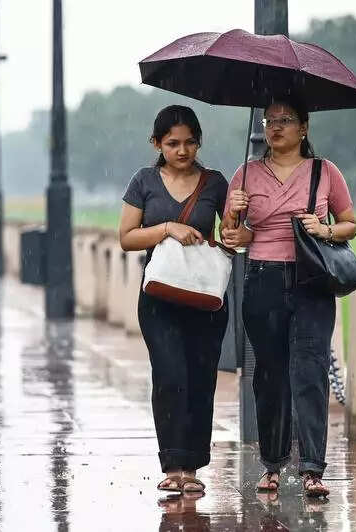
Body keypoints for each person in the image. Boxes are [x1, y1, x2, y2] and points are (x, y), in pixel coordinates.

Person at [221, 97, 356, 498]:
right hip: (262, 279)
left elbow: (350, 224)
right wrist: (233, 211)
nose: (275, 127)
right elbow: (230, 236)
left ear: (304, 127)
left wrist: (325, 229)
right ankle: (273, 464)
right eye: (269, 121)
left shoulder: (324, 172)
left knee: (310, 372)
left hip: (311, 280)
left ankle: (313, 467)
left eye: (285, 120)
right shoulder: (245, 175)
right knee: (270, 375)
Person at [119, 105, 229, 494]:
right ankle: (173, 464)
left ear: (199, 141)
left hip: (203, 297)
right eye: (173, 143)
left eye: (190, 142)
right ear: (157, 143)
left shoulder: (216, 183)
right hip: (159, 298)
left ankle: (193, 468)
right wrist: (167, 228)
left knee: (201, 378)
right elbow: (127, 237)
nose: (182, 151)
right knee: (170, 375)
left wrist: (236, 223)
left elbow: (233, 235)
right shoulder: (144, 182)